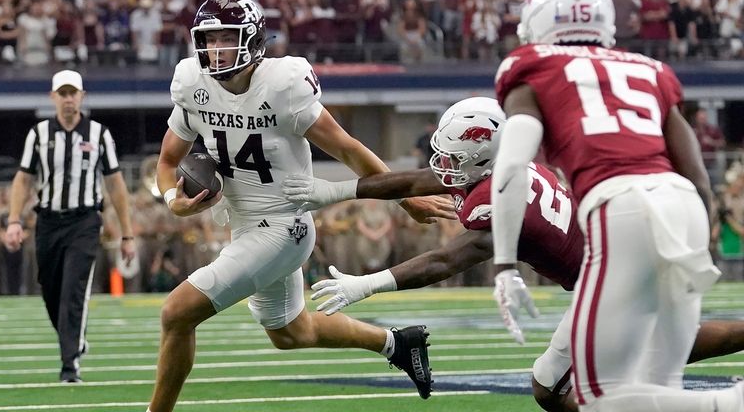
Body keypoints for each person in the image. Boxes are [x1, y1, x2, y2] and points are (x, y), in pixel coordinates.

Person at [282, 97, 744, 412]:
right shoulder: (496, 166)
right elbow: (408, 181)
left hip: (615, 282)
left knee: (559, 385)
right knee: (616, 364)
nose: (443, 167)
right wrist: (333, 191)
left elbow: (448, 260)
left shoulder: (499, 194)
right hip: (616, 265)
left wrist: (368, 284)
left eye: (453, 160)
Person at [147, 0, 454, 412]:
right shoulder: (193, 85)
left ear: (253, 40)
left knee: (177, 312)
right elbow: (167, 161)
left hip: (283, 225)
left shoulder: (284, 86)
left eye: (226, 39)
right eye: (209, 40)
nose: (215, 51)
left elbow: (348, 149)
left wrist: (404, 197)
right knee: (292, 333)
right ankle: (397, 343)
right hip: (243, 223)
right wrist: (172, 199)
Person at [490, 0, 742, 410]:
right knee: (660, 384)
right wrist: (700, 241)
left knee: (596, 398)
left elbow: (513, 167)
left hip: (620, 206)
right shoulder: (650, 68)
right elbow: (697, 172)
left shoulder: (531, 65)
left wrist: (505, 265)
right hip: (682, 202)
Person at [5, 69, 137, 383]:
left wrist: (127, 234)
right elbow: (23, 179)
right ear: (53, 97)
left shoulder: (98, 134)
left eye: (72, 93)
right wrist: (14, 220)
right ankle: (74, 339)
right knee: (50, 291)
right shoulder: (38, 134)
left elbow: (116, 185)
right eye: (62, 93)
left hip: (84, 221)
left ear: (82, 96)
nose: (67, 99)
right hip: (48, 221)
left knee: (73, 291)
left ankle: (69, 366)